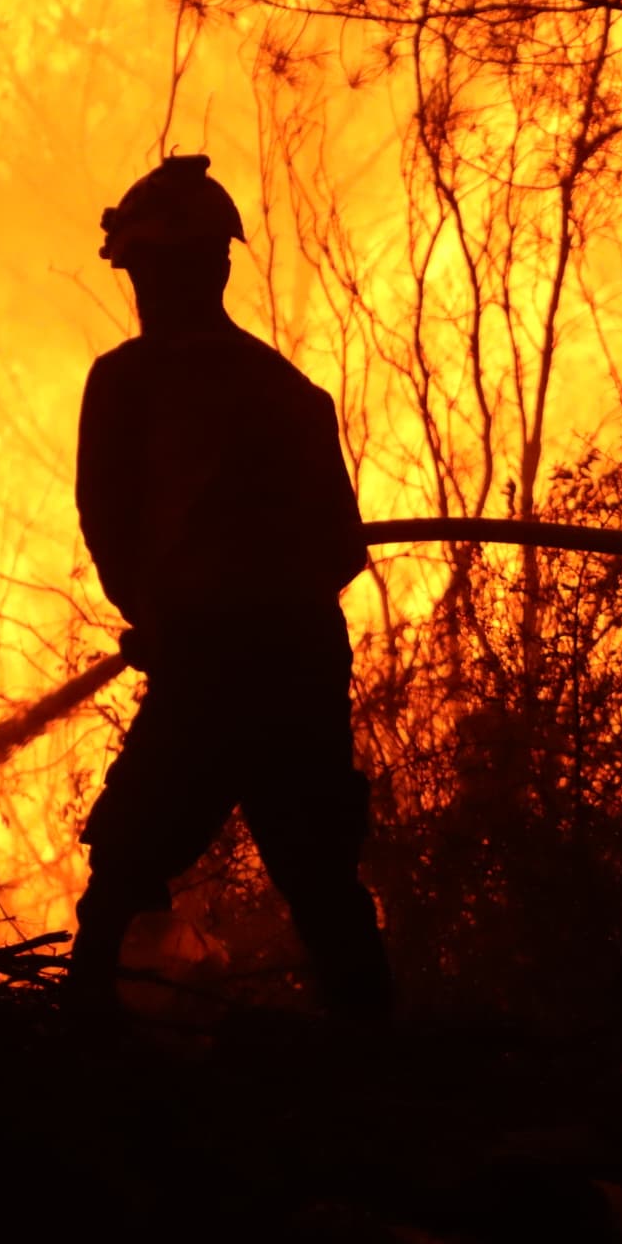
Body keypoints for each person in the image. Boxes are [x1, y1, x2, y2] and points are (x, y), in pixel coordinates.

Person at [60, 153, 391, 1021]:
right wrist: (183, 615)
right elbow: (342, 550)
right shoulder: (287, 391)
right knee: (316, 883)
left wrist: (178, 617)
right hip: (286, 664)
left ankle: (94, 1043)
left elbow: (109, 524)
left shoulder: (129, 384)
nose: (150, 288)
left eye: (153, 270)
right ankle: (374, 1057)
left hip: (228, 671)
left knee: (128, 866)